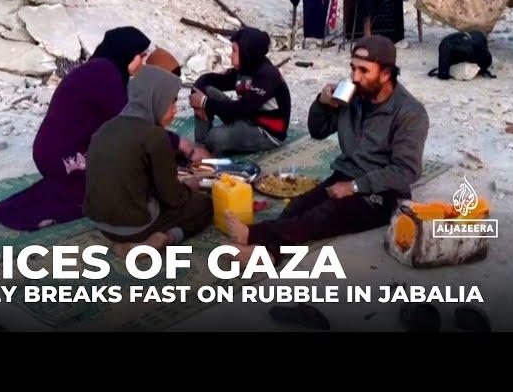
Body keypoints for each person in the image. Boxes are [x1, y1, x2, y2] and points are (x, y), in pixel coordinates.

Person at [223, 35, 430, 266]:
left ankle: (252, 235)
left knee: (325, 215)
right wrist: (322, 103)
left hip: (384, 193)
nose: (355, 77)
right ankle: (268, 254)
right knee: (300, 205)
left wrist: (354, 187)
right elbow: (317, 131)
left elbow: (406, 170)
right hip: (346, 174)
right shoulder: (352, 95)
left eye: (364, 71)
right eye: (353, 68)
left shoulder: (410, 112)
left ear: (386, 73)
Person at [84, 65, 213, 257]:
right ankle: (163, 240)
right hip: (134, 227)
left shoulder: (106, 128)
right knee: (204, 206)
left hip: (101, 223)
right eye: (172, 103)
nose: (175, 111)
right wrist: (190, 186)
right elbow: (173, 198)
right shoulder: (155, 136)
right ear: (156, 99)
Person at [188, 27, 291, 155]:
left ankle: (208, 145)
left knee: (215, 138)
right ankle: (201, 146)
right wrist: (196, 96)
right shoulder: (245, 69)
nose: (231, 55)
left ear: (247, 52)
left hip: (267, 131)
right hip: (248, 118)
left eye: (234, 51)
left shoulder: (268, 75)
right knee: (205, 91)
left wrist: (205, 103)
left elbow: (244, 108)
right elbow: (210, 79)